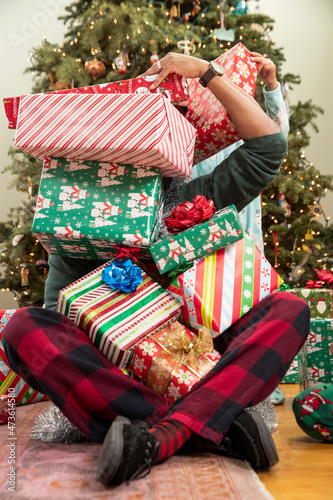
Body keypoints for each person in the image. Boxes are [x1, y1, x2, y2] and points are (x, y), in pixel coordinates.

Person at [2, 51, 310, 487]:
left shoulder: (188, 197)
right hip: (120, 375)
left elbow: (268, 146)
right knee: (22, 328)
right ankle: (211, 425)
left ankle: (160, 435)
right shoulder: (76, 216)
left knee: (290, 310)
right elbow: (60, 320)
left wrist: (206, 73)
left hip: (198, 356)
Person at [191, 52, 289, 405]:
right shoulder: (199, 127)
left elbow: (277, 138)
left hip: (243, 232)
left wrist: (271, 85)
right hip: (201, 227)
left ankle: (256, 384)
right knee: (205, 306)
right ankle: (210, 377)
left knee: (247, 302)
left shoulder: (247, 125)